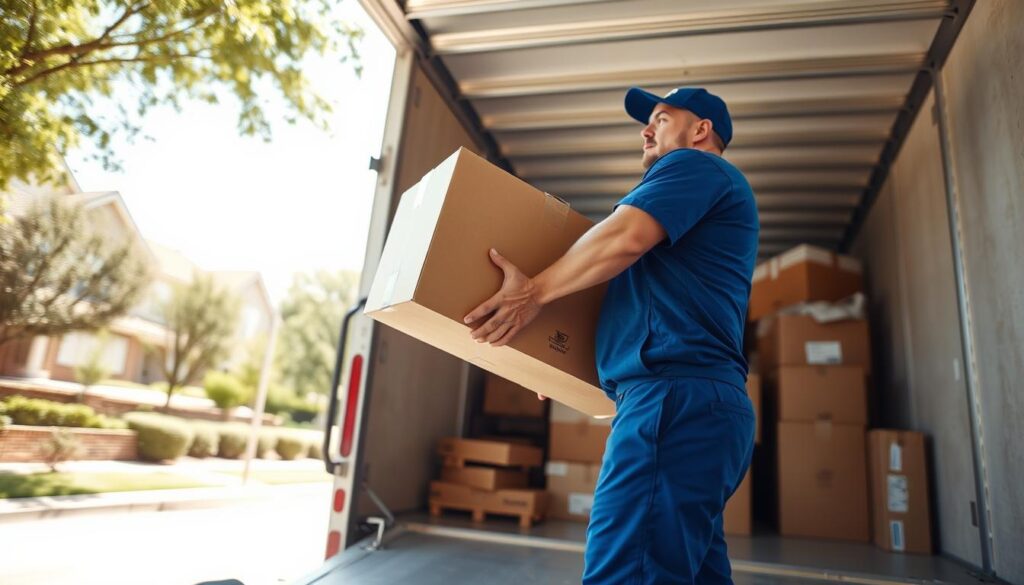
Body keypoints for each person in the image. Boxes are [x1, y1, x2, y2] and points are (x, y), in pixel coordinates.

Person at [463, 86, 759, 584]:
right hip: (698, 407)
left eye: (662, 119)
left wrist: (531, 294)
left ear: (701, 130)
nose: (646, 129)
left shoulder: (695, 167)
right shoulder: (693, 215)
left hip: (673, 402)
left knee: (627, 573)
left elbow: (622, 238)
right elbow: (637, 303)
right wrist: (552, 362)